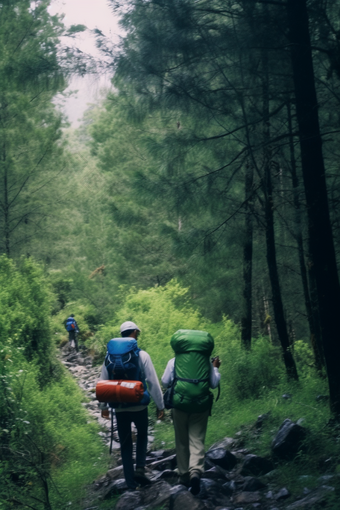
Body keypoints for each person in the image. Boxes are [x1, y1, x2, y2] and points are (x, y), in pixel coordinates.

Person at [99, 321, 165, 490]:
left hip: (119, 407)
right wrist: (160, 405)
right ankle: (140, 469)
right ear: (135, 333)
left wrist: (103, 407)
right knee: (142, 434)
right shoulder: (142, 355)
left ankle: (130, 484)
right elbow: (152, 382)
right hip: (139, 405)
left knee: (126, 443)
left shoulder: (109, 356)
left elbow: (102, 381)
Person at [161, 329, 221, 496]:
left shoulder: (174, 361)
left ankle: (184, 476)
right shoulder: (206, 362)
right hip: (200, 406)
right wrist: (215, 368)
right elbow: (214, 384)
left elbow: (165, 382)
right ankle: (196, 472)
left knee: (181, 440)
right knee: (197, 439)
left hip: (180, 405)